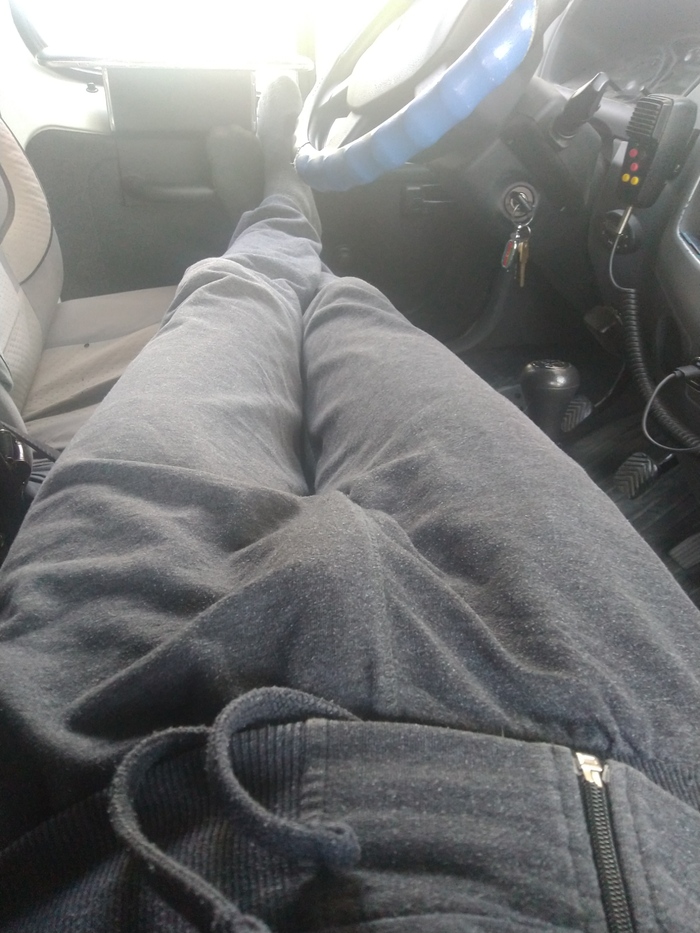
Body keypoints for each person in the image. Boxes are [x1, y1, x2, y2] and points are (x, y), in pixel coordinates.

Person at [0, 77, 699, 932]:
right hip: (616, 755)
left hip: (114, 748)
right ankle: (294, 214)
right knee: (360, 315)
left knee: (234, 293)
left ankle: (283, 208)